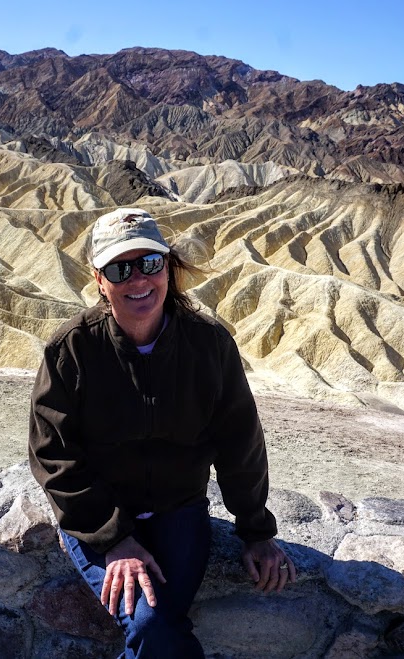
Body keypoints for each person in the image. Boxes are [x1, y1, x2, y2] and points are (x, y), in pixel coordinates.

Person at [29, 207, 295, 658]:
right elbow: (53, 454)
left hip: (179, 513)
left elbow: (240, 443)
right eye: (120, 269)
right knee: (153, 623)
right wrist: (113, 538)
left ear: (168, 268)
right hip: (97, 515)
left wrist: (256, 531)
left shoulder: (209, 345)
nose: (138, 279)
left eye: (150, 263)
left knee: (157, 630)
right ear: (99, 280)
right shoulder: (72, 350)